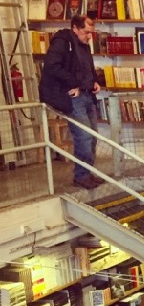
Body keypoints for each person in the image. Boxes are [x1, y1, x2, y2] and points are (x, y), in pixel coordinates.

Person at [39, 15, 102, 189]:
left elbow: (86, 67)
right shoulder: (62, 42)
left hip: (88, 95)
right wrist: (73, 83)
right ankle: (81, 176)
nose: (89, 36)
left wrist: (94, 81)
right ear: (75, 27)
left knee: (93, 136)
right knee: (83, 137)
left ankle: (87, 172)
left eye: (91, 33)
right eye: (86, 32)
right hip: (73, 98)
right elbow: (52, 67)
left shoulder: (83, 44)